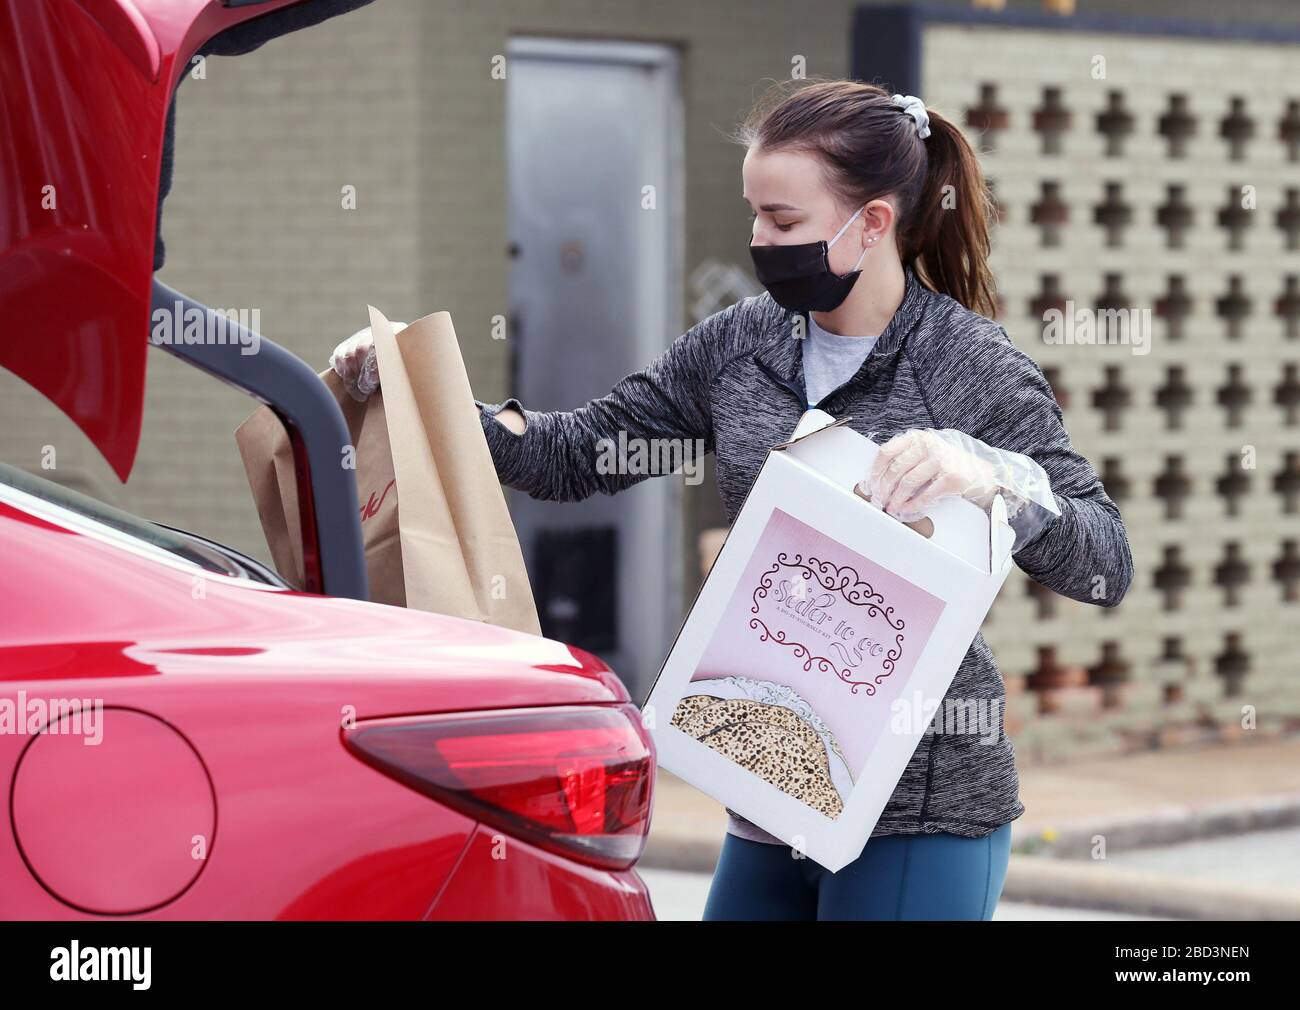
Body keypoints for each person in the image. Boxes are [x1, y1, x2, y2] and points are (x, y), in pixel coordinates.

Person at [331, 79, 1134, 920]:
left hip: (919, 816)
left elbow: (1104, 563)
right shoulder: (740, 344)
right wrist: (422, 391)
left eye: (784, 222)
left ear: (872, 223)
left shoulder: (967, 365)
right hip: (767, 800)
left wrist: (992, 473)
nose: (759, 239)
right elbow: (580, 452)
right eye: (755, 215)